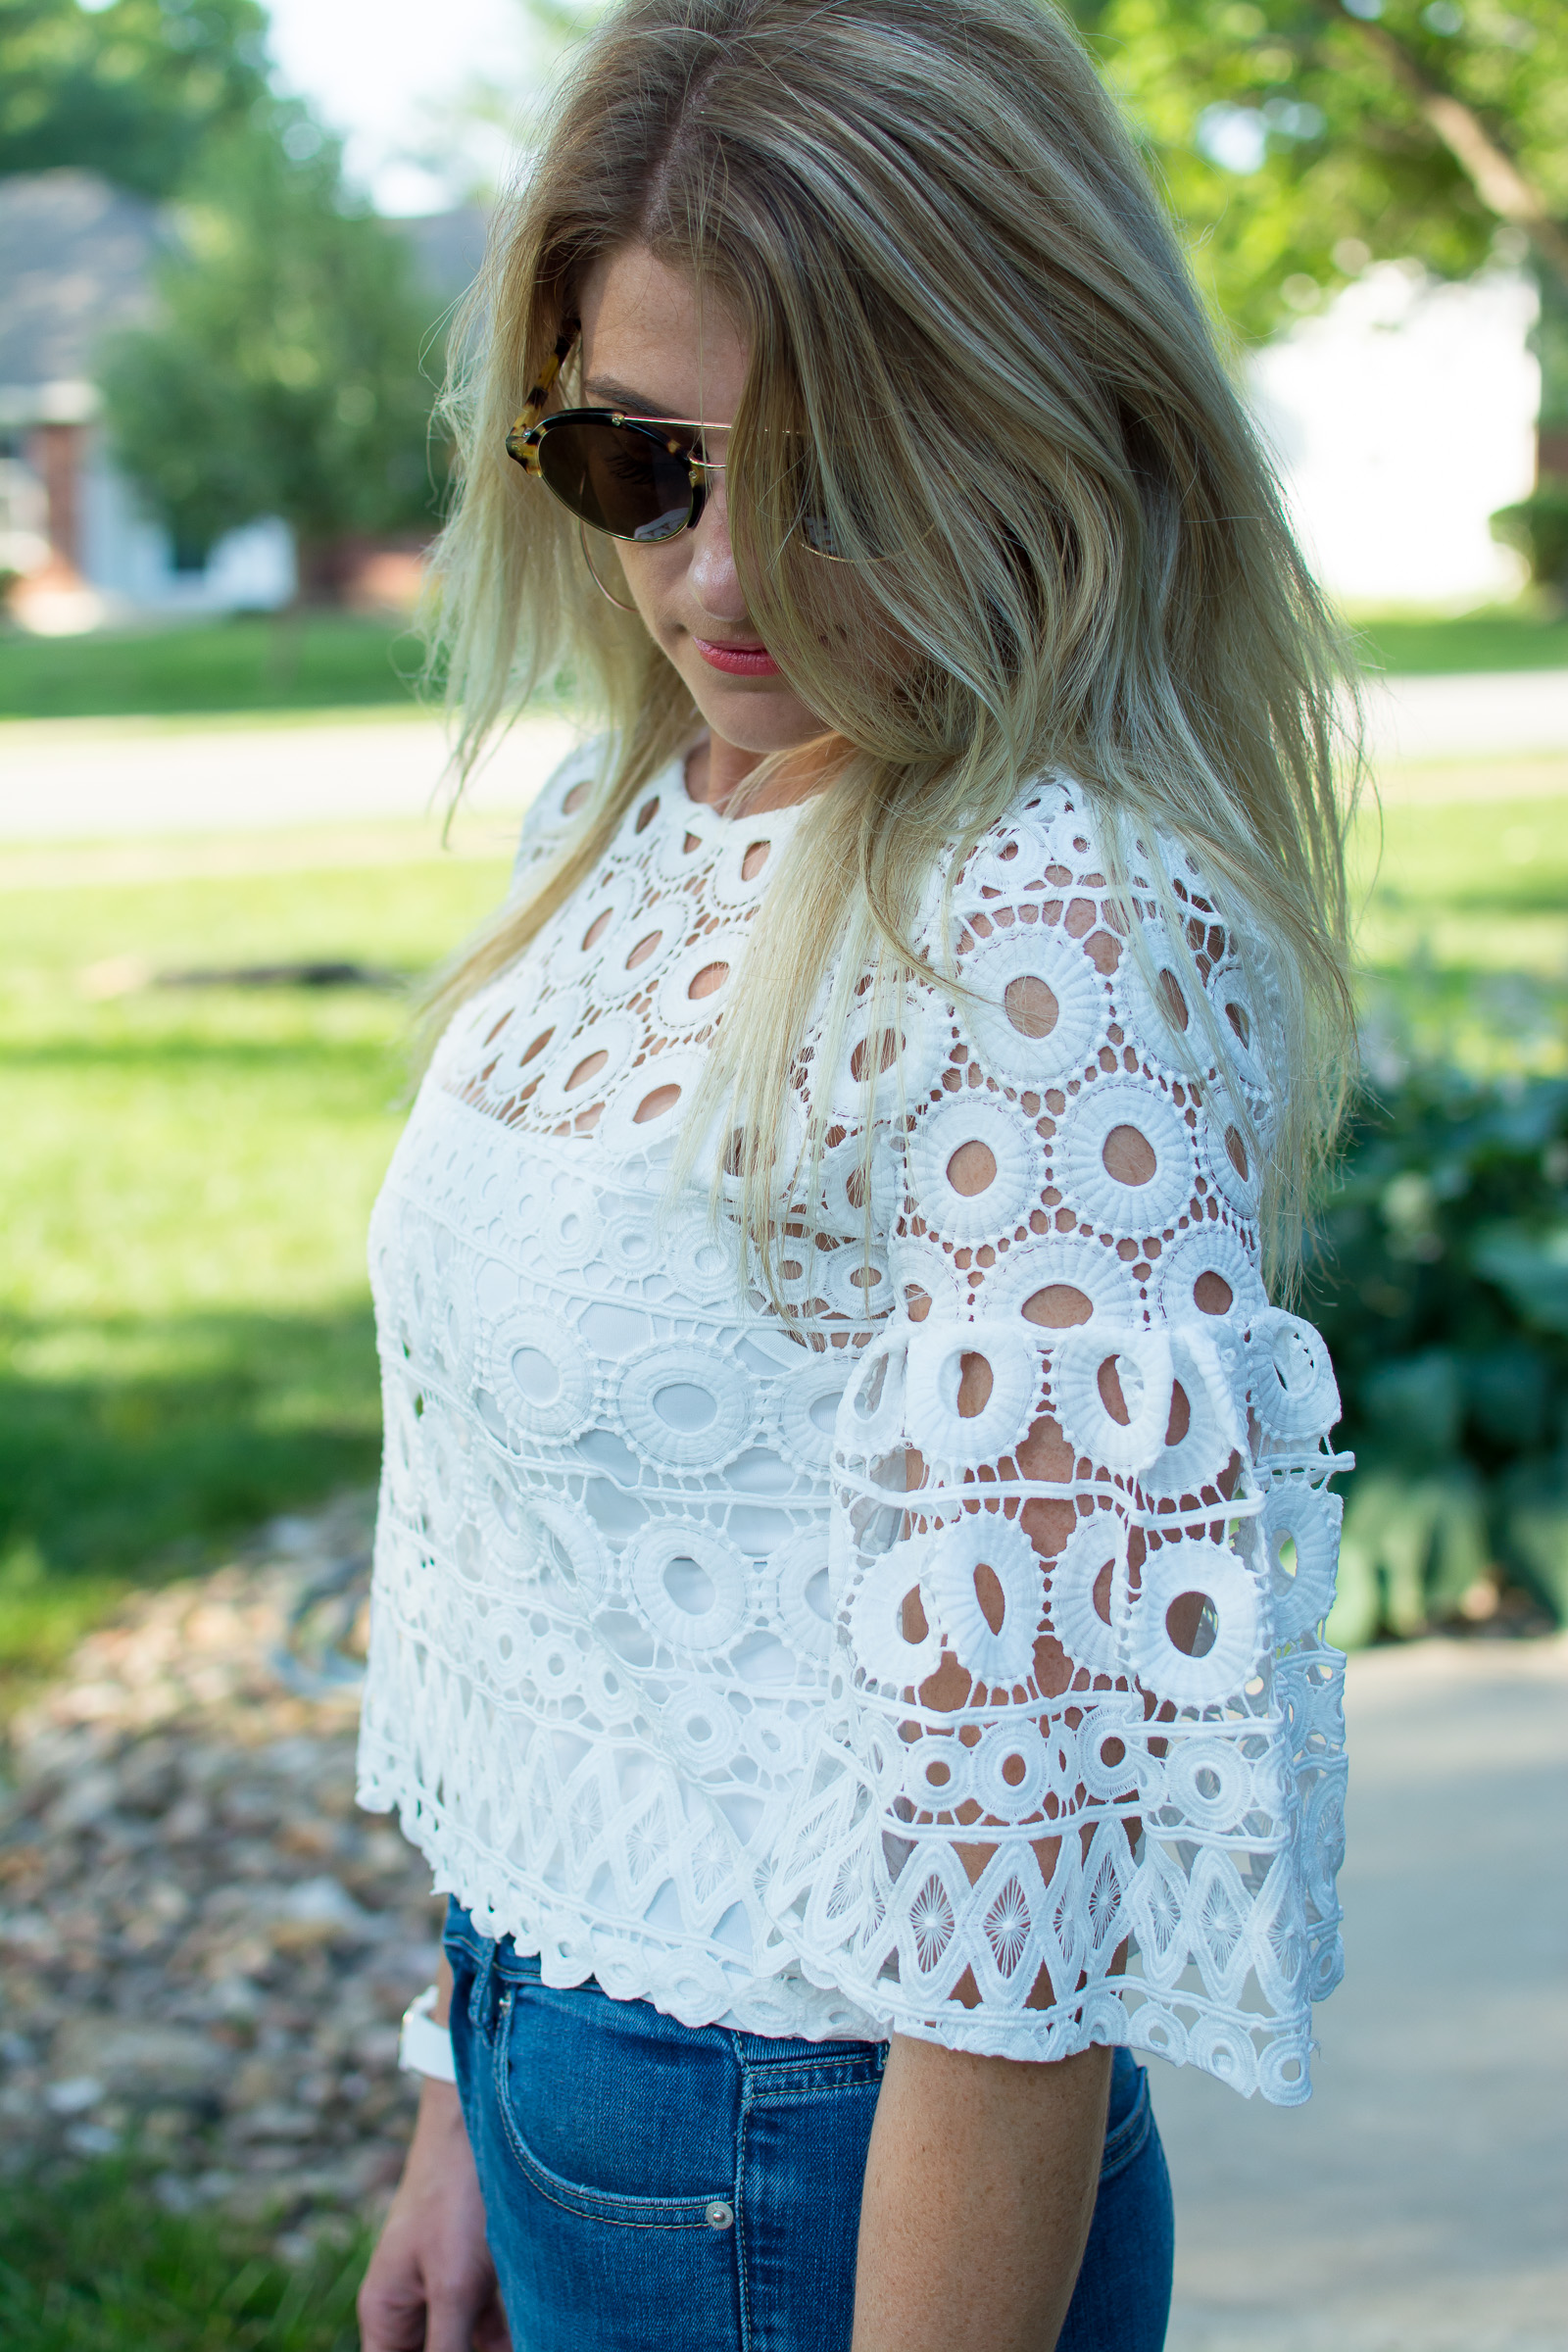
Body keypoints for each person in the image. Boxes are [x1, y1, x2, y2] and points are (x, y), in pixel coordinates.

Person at [356, 3, 1357, 2346]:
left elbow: (1016, 1911)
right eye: (641, 464)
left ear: (1040, 433)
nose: (718, 583)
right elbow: (547, 1582)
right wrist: (454, 2078)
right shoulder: (611, 831)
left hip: (815, 2167)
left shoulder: (1052, 934)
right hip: (563, 2066)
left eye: (840, 479)